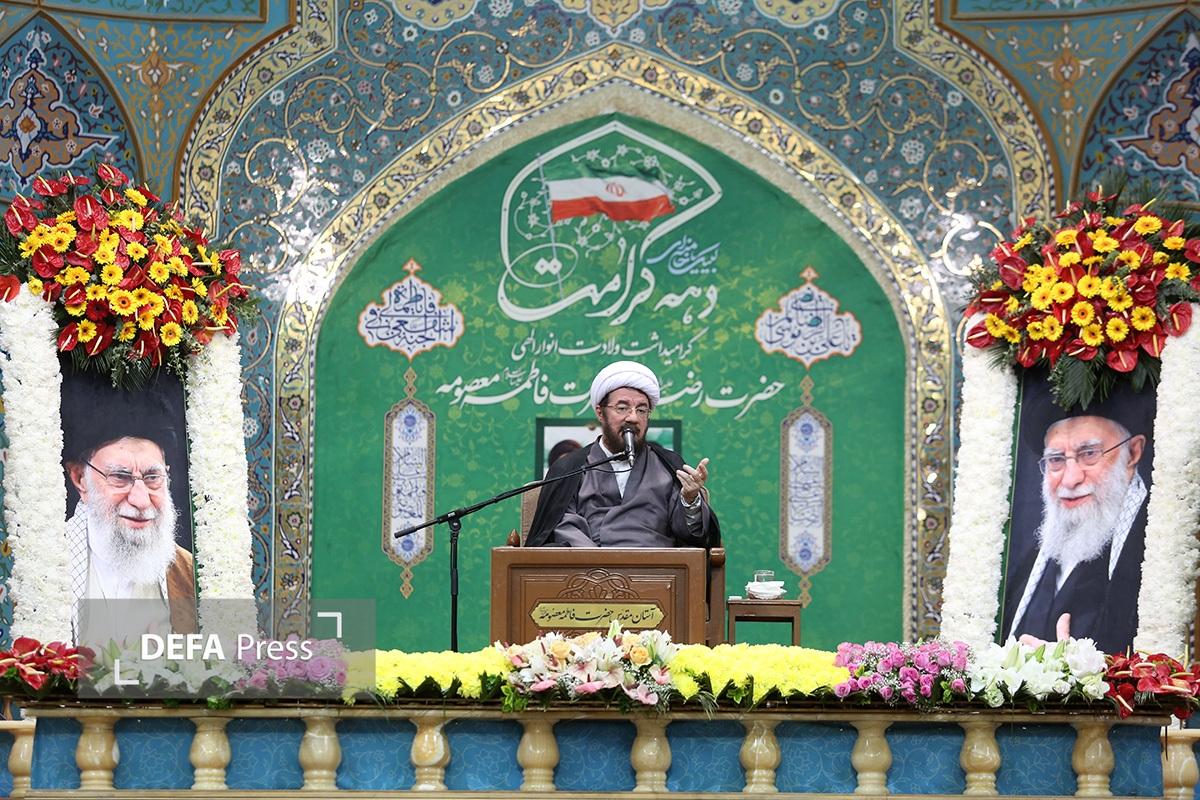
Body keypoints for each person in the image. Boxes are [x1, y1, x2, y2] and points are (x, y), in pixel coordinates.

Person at [525, 361, 719, 548]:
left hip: (657, 567)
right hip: (589, 566)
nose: (633, 417)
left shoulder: (667, 465)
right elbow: (563, 526)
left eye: (642, 410)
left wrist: (689, 499)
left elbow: (690, 536)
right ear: (600, 413)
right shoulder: (570, 468)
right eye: (622, 408)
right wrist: (599, 562)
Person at [1001, 414, 1148, 653]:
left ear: (1132, 453)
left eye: (1089, 454)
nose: (1070, 480)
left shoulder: (1154, 550)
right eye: (1056, 459)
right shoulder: (1035, 554)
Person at [64, 428, 198, 643]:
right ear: (80, 479)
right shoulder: (45, 566)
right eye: (120, 477)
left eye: (152, 478)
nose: (141, 500)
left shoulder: (189, 573)